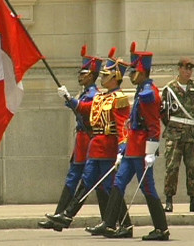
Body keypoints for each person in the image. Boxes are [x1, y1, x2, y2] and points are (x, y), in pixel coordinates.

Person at [46, 47, 133, 238]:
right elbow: (84, 108)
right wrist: (68, 98)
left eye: (105, 75)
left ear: (115, 78)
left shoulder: (120, 98)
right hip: (95, 148)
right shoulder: (101, 96)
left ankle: (125, 224)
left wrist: (122, 148)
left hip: (108, 148)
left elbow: (123, 126)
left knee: (110, 187)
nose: (101, 78)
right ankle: (68, 215)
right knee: (86, 181)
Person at [98, 41, 170, 241]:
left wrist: (151, 150)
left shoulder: (149, 94)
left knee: (148, 188)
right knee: (118, 182)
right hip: (132, 148)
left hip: (142, 150)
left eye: (133, 71)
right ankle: (110, 223)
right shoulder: (141, 90)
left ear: (142, 72)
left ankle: (161, 229)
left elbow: (154, 125)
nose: (130, 75)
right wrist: (123, 149)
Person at [38, 45, 102, 231]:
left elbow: (86, 109)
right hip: (81, 140)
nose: (80, 76)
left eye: (83, 73)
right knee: (73, 177)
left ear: (91, 75)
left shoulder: (94, 94)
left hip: (90, 139)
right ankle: (58, 217)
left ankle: (111, 220)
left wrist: (70, 98)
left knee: (94, 181)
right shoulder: (84, 93)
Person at [160, 57, 194, 213]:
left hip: (191, 134)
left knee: (193, 168)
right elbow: (164, 114)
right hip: (174, 134)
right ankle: (169, 200)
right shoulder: (169, 89)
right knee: (172, 167)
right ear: (179, 69)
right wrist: (175, 127)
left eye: (190, 69)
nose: (188, 72)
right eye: (185, 68)